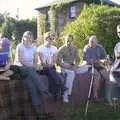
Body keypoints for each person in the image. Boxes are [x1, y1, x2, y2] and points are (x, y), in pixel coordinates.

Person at [14, 31, 51, 114]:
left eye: (30, 38)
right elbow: (22, 61)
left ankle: (37, 108)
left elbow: (35, 60)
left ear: (32, 39)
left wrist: (35, 65)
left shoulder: (33, 47)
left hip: (30, 70)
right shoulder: (20, 46)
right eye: (26, 37)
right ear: (23, 37)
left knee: (30, 82)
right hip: (20, 68)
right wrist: (33, 66)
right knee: (30, 70)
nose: (28, 39)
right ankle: (44, 90)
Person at [37, 32, 64, 100]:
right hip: (42, 68)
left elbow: (54, 61)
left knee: (51, 74)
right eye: (51, 39)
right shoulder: (40, 48)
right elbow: (41, 62)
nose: (52, 40)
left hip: (51, 67)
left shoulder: (54, 48)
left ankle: (54, 93)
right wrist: (47, 65)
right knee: (50, 71)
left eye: (53, 39)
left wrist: (50, 65)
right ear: (46, 39)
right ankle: (60, 86)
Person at [83, 35, 109, 101]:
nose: (91, 43)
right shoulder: (87, 48)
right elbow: (88, 60)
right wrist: (99, 61)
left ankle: (108, 95)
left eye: (93, 42)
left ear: (96, 42)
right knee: (97, 76)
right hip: (90, 66)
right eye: (90, 42)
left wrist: (105, 61)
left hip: (99, 65)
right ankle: (95, 96)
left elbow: (104, 57)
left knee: (108, 77)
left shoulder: (100, 47)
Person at [57, 34, 80, 103]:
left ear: (73, 41)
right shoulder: (61, 49)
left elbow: (78, 59)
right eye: (67, 41)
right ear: (64, 41)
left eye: (70, 41)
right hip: (64, 66)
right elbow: (58, 62)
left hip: (72, 66)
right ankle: (65, 94)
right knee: (71, 73)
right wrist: (66, 65)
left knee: (86, 68)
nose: (68, 43)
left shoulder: (75, 48)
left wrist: (76, 65)